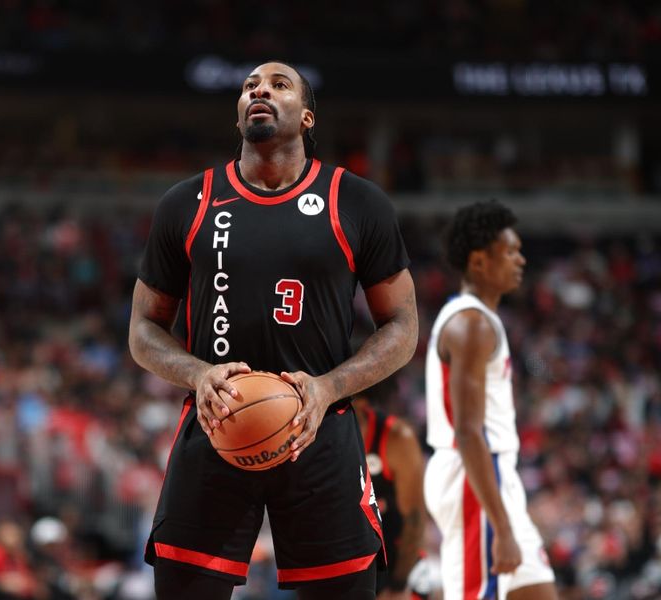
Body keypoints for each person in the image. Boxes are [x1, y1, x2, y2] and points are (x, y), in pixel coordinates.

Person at [128, 60, 418, 600]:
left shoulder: (357, 202)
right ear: (239, 113)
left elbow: (402, 325)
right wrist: (197, 373)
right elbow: (143, 329)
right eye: (249, 86)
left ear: (307, 117)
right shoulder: (186, 203)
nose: (259, 90)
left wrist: (330, 385)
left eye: (278, 85)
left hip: (319, 426)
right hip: (216, 425)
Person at [423, 200, 557, 600]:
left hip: (492, 474)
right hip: (474, 474)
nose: (521, 259)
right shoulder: (471, 324)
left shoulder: (477, 318)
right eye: (511, 251)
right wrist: (500, 526)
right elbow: (468, 430)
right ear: (479, 261)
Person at [352, 394, 429, 600]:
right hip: (353, 562)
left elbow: (415, 519)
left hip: (399, 561)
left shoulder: (397, 437)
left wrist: (399, 583)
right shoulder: (320, 438)